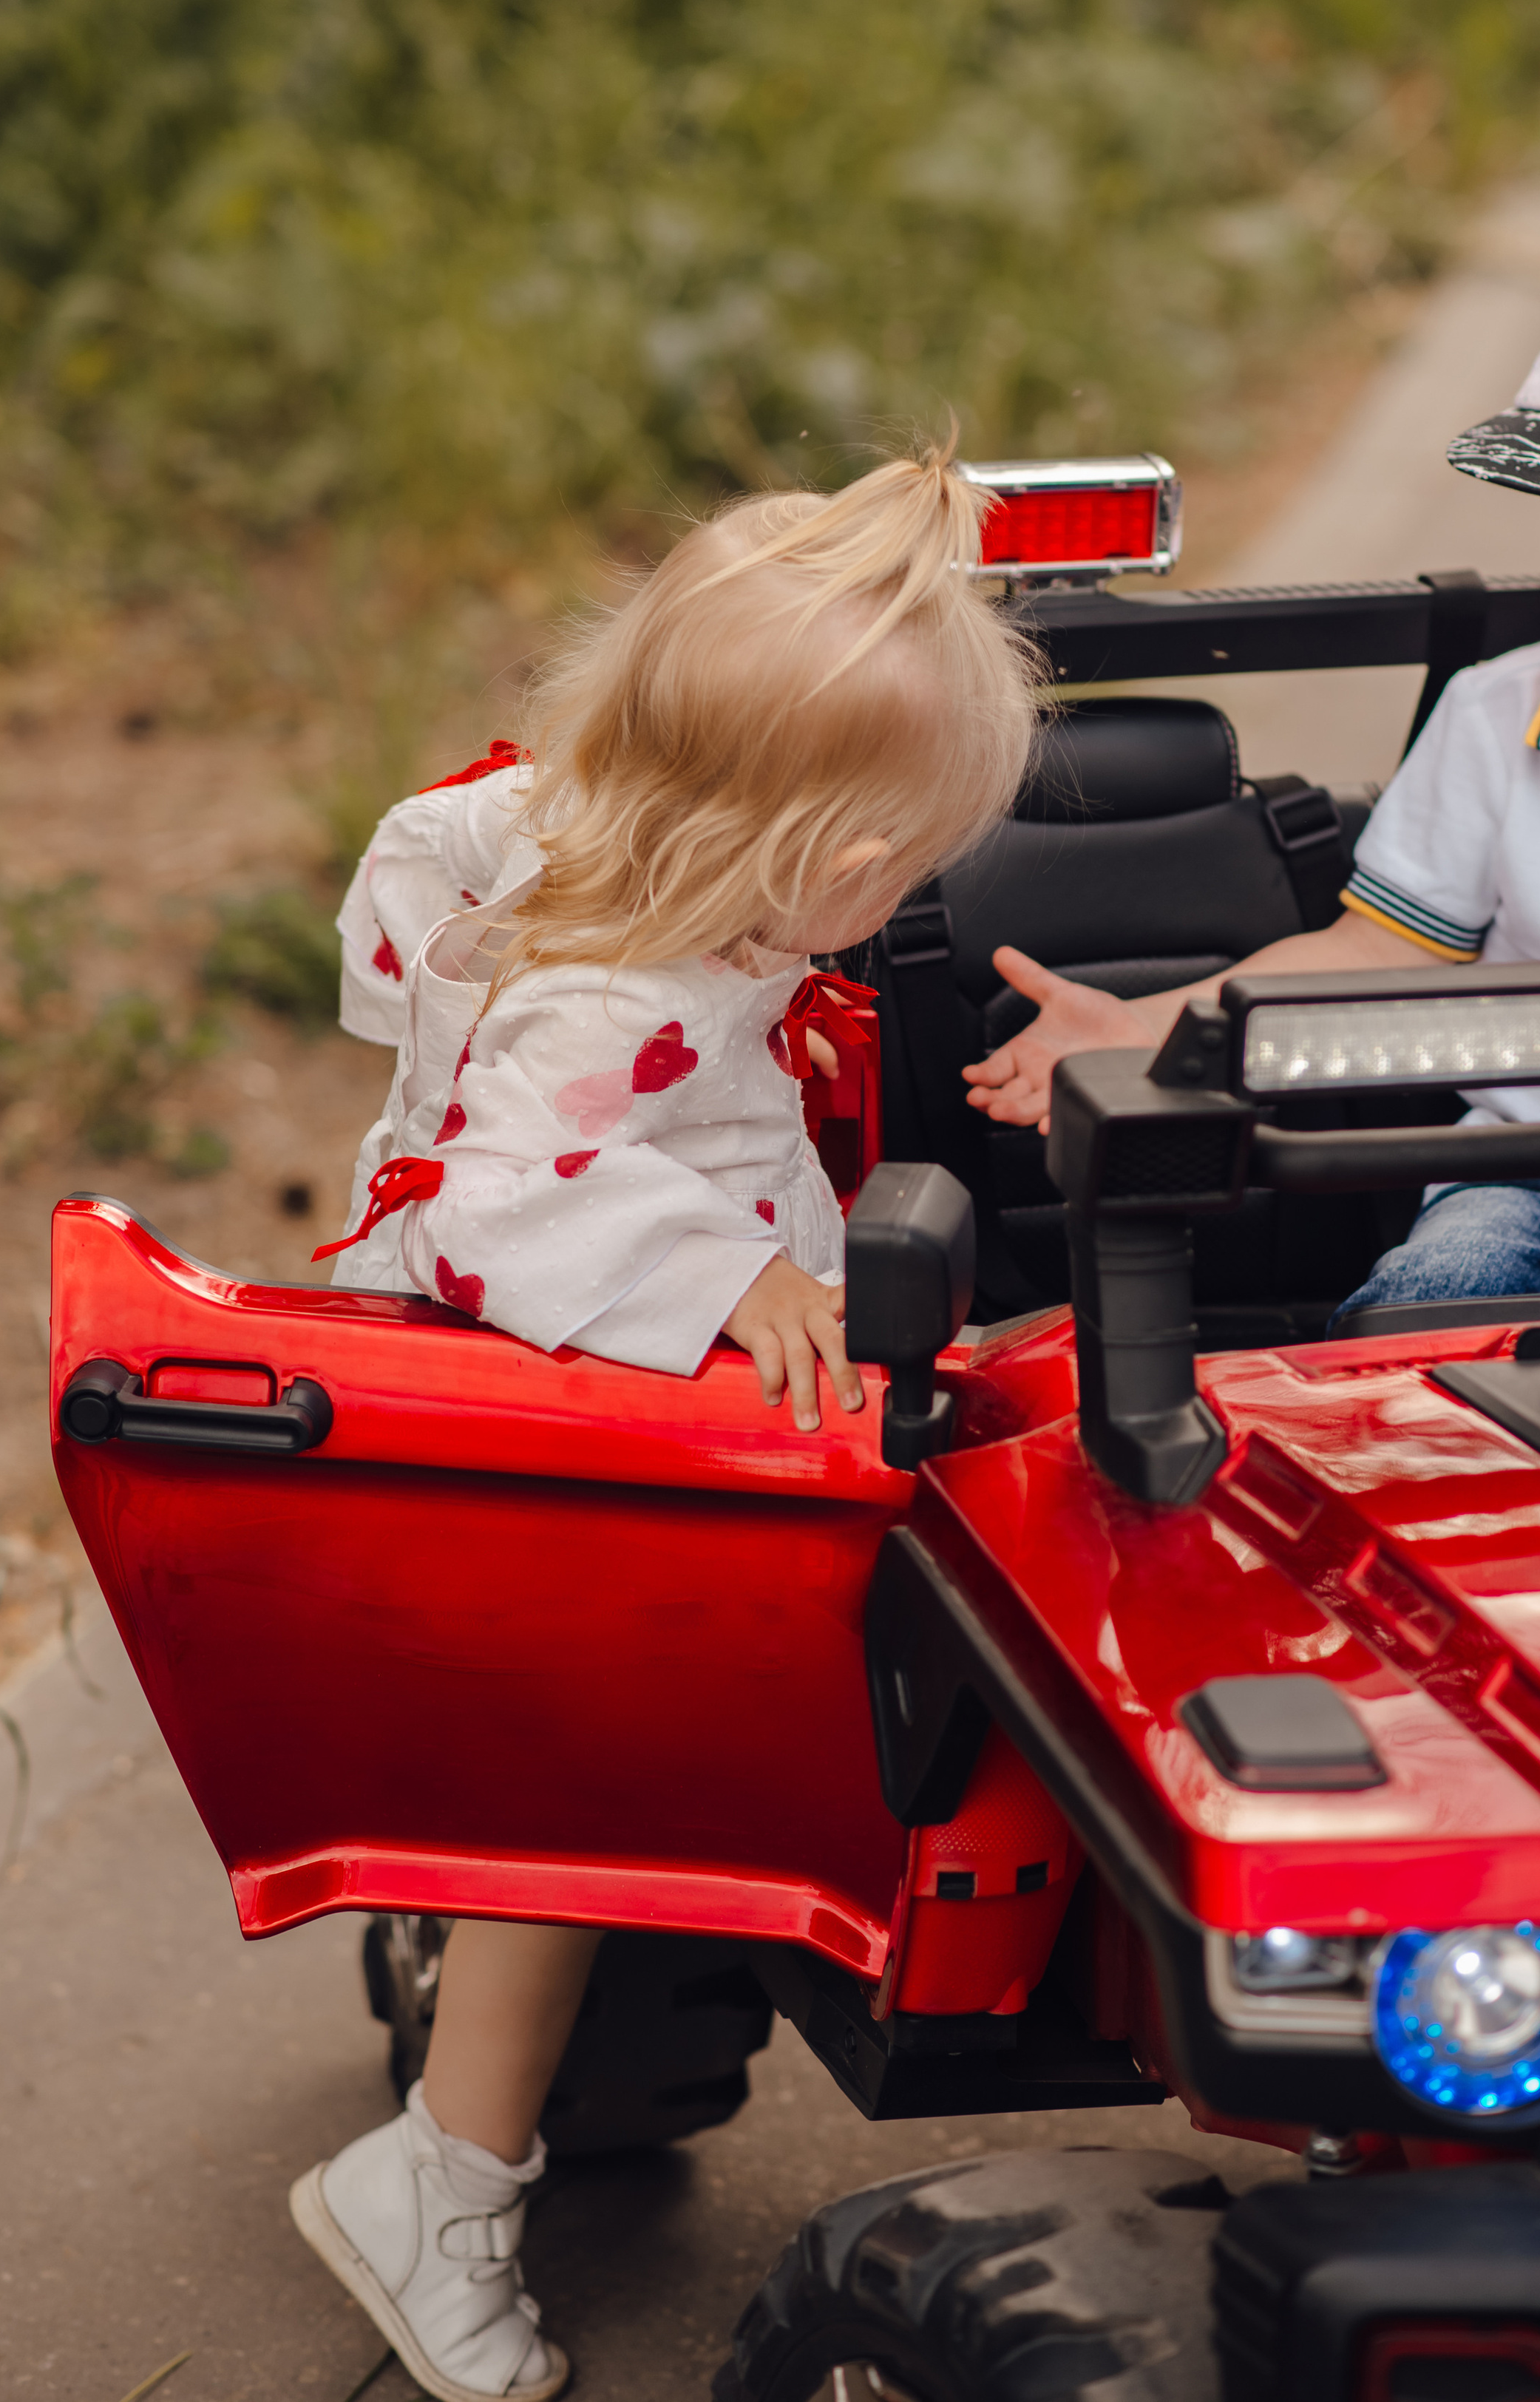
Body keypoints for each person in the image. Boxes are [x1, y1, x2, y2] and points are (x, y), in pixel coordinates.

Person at [290, 448, 1039, 2402]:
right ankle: (439, 2178)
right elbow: (495, 1192)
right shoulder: (615, 991)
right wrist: (731, 1277)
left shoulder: (623, 855)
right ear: (793, 853)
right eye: (897, 863)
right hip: (554, 1448)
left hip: (597, 1417)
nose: (912, 894)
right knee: (584, 1798)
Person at [966, 199, 1540, 1321]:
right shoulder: (1498, 720)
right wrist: (1153, 1022)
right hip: (1537, 1187)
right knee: (1416, 1335)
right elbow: (1378, 949)